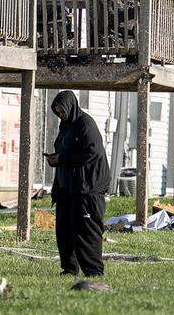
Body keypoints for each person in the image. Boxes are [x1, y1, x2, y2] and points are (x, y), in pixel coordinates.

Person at [45, 90, 109, 276]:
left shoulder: (85, 124)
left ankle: (94, 271)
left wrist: (63, 159)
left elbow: (92, 153)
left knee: (86, 231)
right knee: (64, 230)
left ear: (70, 107)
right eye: (58, 113)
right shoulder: (65, 127)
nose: (61, 115)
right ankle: (69, 268)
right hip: (67, 188)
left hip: (87, 188)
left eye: (62, 112)